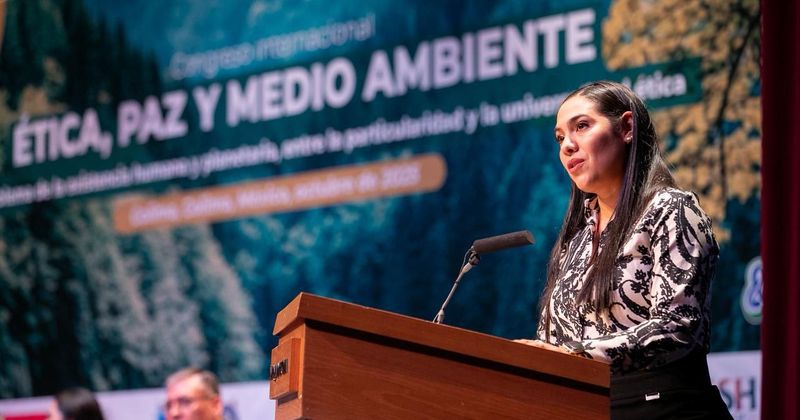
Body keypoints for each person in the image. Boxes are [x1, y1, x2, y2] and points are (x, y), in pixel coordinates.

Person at [519, 81, 731, 419]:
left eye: (581, 126)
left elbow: (678, 327)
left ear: (627, 128)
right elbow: (553, 344)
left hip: (667, 410)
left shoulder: (671, 210)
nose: (568, 146)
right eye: (560, 138)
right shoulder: (577, 240)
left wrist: (575, 355)